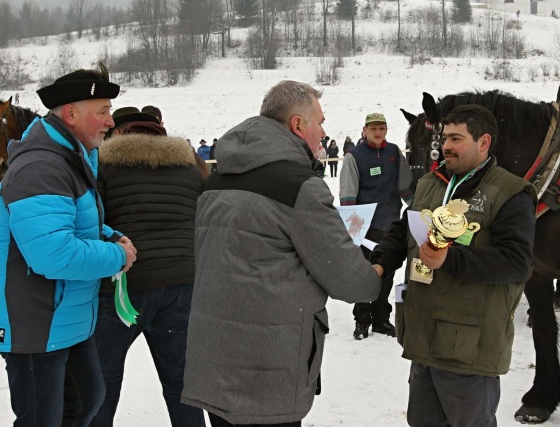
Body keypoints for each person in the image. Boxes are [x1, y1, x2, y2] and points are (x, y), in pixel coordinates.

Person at [182, 80, 381, 427]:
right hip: (267, 372)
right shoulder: (300, 187)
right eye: (320, 122)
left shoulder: (215, 181)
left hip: (214, 361)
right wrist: (377, 270)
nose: (323, 133)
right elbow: (351, 282)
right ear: (297, 125)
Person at [0, 64, 138, 427]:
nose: (110, 122)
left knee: (85, 401)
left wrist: (109, 236)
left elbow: (73, 221)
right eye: (103, 112)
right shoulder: (41, 167)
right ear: (70, 114)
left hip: (63, 318)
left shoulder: (72, 157)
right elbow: (54, 254)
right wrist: (117, 256)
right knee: (43, 418)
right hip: (35, 322)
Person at [370, 104, 536, 427]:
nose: (445, 146)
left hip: (468, 351)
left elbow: (517, 263)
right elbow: (404, 229)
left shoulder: (509, 193)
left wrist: (451, 259)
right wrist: (381, 263)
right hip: (423, 339)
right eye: (445, 138)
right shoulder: (430, 183)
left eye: (456, 139)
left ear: (484, 142)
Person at [91, 108, 205, 427]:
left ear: (122, 134)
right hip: (181, 285)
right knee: (182, 386)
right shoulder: (189, 166)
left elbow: (93, 220)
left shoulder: (106, 163)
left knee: (103, 384)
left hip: (123, 287)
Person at [340, 112, 414, 340]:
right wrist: (353, 231)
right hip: (364, 226)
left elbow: (405, 188)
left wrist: (420, 209)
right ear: (365, 130)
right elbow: (348, 196)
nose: (378, 132)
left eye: (381, 128)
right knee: (365, 273)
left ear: (386, 130)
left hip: (390, 223)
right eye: (373, 128)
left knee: (387, 272)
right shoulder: (354, 156)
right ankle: (362, 320)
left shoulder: (394, 153)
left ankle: (382, 319)